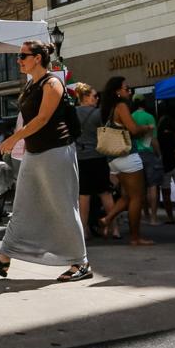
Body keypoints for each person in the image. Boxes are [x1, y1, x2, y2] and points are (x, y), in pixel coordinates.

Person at [0, 40, 91, 283]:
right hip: (34, 153)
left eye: (23, 56)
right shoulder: (30, 86)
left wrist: (13, 140)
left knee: (63, 206)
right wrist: (22, 144)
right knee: (22, 205)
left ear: (38, 58)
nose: (19, 60)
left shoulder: (52, 83)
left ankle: (81, 262)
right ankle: (3, 259)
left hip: (57, 150)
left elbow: (43, 119)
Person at [95, 77, 155, 246]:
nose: (129, 91)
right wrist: (147, 128)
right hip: (127, 156)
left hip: (113, 160)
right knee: (138, 197)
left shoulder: (108, 108)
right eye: (127, 88)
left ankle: (107, 218)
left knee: (127, 196)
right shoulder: (121, 106)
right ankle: (135, 237)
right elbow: (134, 129)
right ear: (118, 92)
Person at [72, 83, 118, 239]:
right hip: (98, 157)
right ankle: (114, 228)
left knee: (84, 196)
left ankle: (84, 230)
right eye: (94, 96)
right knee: (105, 193)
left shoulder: (73, 113)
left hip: (80, 158)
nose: (97, 98)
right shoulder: (99, 114)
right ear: (85, 97)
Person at [130, 95, 164, 225]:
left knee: (140, 188)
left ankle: (145, 214)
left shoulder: (131, 117)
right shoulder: (149, 117)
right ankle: (154, 218)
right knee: (153, 186)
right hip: (148, 153)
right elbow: (153, 139)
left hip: (134, 154)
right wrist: (159, 154)